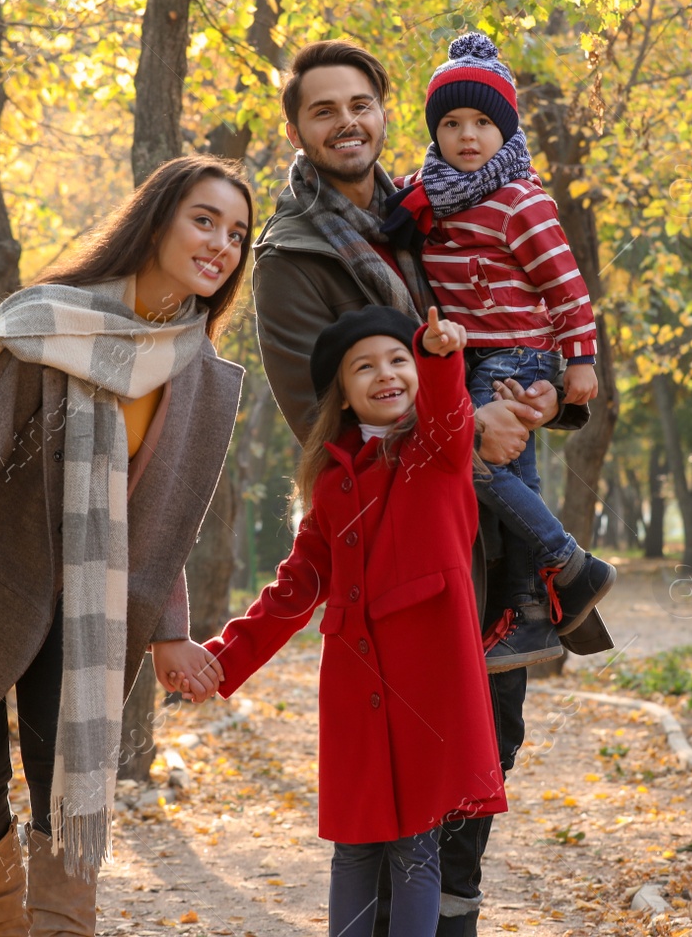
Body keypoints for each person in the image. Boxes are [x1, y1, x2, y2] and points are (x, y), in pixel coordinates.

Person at [250, 39, 613, 936]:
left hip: (481, 544)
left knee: (490, 756)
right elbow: (316, 417)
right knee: (408, 784)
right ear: (298, 128)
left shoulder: (432, 215)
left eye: (360, 104)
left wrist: (532, 400)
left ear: (383, 111)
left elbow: (513, 317)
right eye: (323, 109)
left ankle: (454, 922)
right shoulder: (294, 255)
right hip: (399, 559)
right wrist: (456, 429)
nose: (347, 122)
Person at [0, 154, 253, 937]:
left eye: (238, 233)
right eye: (204, 220)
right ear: (157, 222)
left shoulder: (201, 374)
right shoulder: (47, 321)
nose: (221, 244)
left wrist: (172, 633)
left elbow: (167, 522)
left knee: (64, 794)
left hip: (87, 608)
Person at [201, 305, 505, 937]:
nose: (386, 374)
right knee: (354, 848)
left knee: (417, 850)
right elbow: (294, 588)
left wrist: (441, 353)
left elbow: (450, 407)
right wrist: (224, 661)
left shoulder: (439, 450)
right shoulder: (330, 485)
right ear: (342, 391)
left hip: (428, 685)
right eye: (364, 366)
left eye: (398, 360)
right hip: (355, 685)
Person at [382, 31, 616, 673]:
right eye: (451, 122)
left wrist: (580, 359)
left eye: (482, 122)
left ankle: (573, 563)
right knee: (515, 480)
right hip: (469, 357)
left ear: (505, 132)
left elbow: (566, 285)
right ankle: (533, 621)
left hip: (517, 354)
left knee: (470, 460)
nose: (466, 135)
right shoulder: (426, 196)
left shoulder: (520, 199)